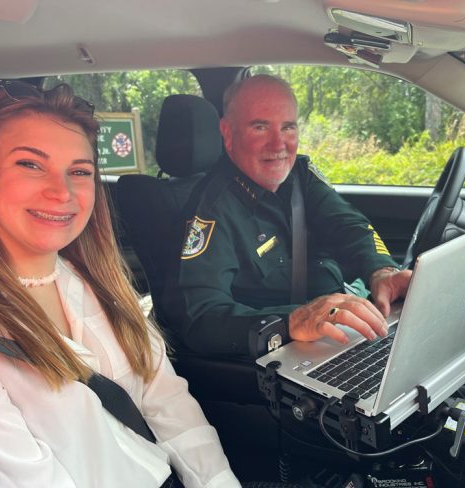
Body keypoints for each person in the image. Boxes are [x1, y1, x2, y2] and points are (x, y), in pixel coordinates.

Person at [0, 82, 241, 487]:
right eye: (30, 164)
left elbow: (168, 401)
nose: (61, 192)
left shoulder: (99, 281)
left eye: (79, 171)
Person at [165, 75, 412, 356]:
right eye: (260, 127)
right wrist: (288, 323)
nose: (278, 144)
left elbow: (349, 226)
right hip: (284, 358)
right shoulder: (210, 212)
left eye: (288, 128)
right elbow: (199, 317)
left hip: (342, 336)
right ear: (228, 133)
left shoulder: (300, 177)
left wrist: (382, 271)